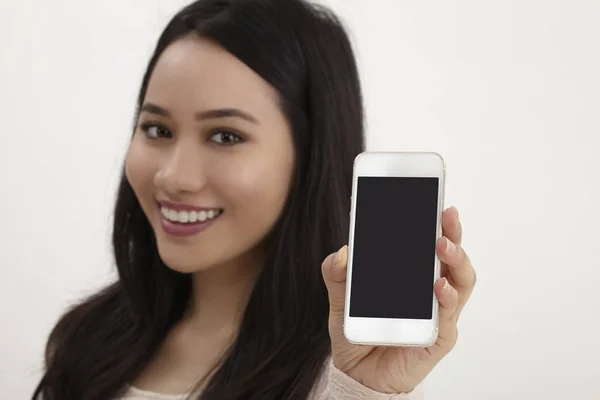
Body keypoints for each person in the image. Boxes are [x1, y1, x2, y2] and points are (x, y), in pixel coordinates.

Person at [32, 0, 477, 399]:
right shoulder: (85, 342)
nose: (174, 177)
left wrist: (367, 393)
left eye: (225, 136)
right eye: (157, 129)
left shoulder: (350, 376)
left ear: (310, 157)